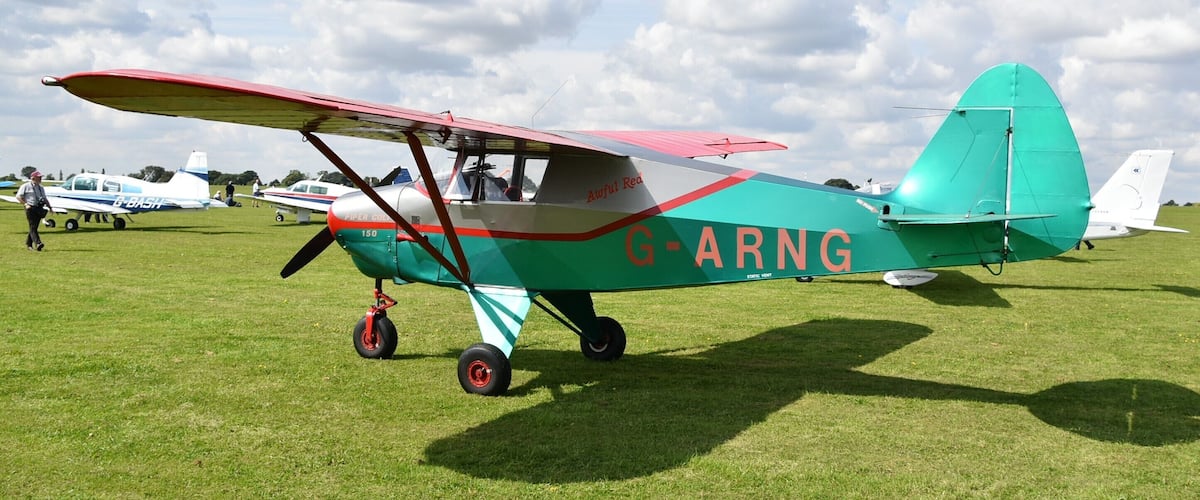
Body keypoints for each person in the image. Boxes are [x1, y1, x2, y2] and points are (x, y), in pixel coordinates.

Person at [16, 171, 51, 251]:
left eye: (41, 177)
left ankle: (28, 244)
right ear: (33, 178)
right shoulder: (25, 186)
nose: (40, 178)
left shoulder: (41, 187)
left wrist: (50, 207)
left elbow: (44, 198)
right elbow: (18, 197)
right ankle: (38, 243)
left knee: (34, 227)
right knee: (33, 226)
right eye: (39, 177)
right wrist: (25, 204)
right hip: (30, 208)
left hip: (38, 208)